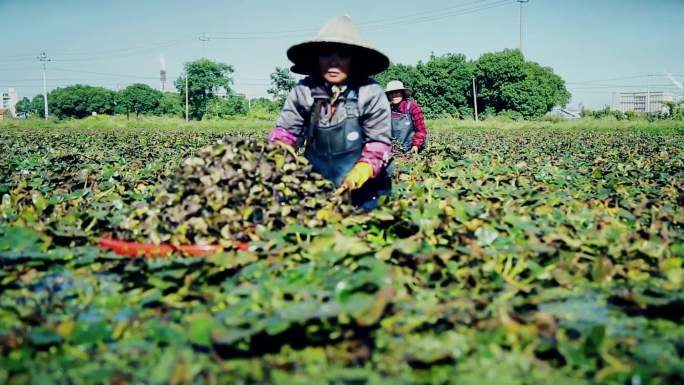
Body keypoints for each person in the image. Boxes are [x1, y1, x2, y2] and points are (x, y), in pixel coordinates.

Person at [268, 16, 393, 211]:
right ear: (317, 58)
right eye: (326, 54)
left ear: (354, 60)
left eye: (342, 55)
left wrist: (362, 171)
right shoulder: (304, 91)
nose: (333, 63)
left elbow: (378, 142)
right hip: (318, 185)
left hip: (367, 190)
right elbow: (286, 133)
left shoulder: (370, 92)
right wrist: (278, 154)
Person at [385, 80, 427, 154]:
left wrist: (416, 145)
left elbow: (421, 130)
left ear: (402, 93)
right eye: (391, 93)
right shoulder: (388, 109)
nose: (394, 95)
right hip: (395, 150)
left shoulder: (413, 107)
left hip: (413, 149)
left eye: (397, 92)